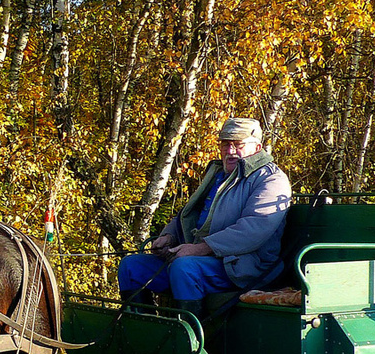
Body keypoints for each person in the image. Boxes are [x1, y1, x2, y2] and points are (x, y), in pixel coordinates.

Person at [118, 117, 292, 316]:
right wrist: (168, 238)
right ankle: (142, 337)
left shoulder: (271, 179)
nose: (230, 152)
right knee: (131, 267)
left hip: (244, 267)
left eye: (238, 145)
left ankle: (189, 341)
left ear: (258, 147)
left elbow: (253, 230)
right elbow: (188, 215)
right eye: (225, 145)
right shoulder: (219, 175)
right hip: (202, 260)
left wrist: (200, 249)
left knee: (184, 268)